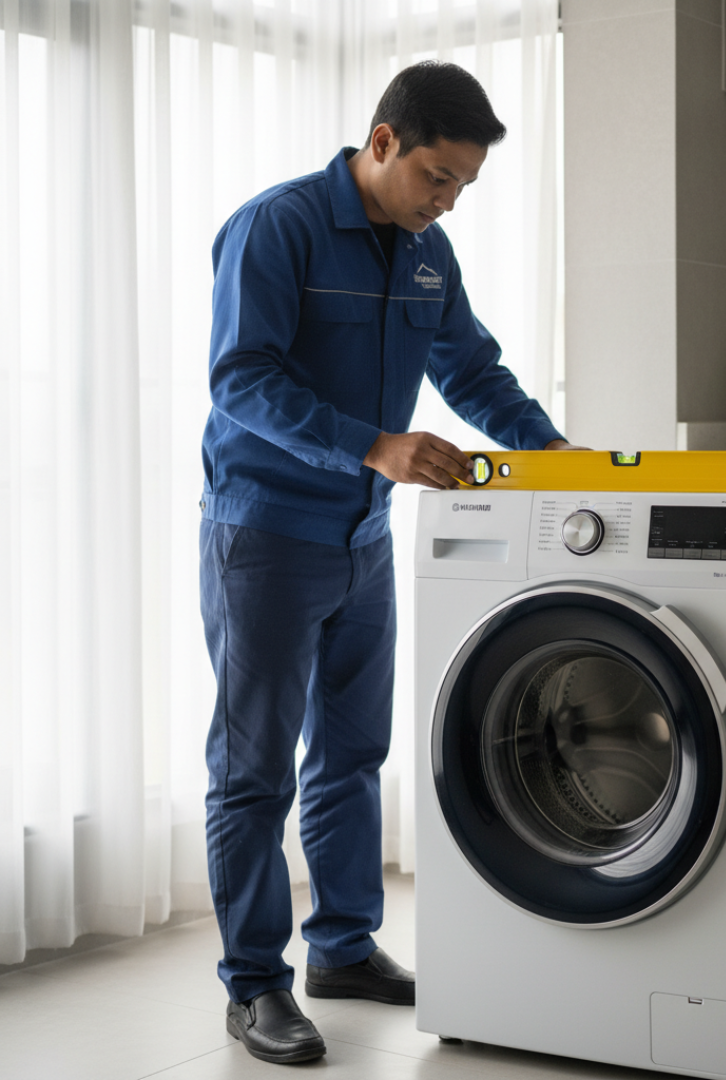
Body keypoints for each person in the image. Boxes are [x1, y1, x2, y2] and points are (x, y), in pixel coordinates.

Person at [199, 60, 572, 1065]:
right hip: (266, 538)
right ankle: (255, 986)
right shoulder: (277, 227)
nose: (446, 201)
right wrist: (377, 446)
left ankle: (344, 948)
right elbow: (240, 378)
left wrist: (553, 454)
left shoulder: (427, 254)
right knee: (252, 771)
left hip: (364, 541)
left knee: (353, 757)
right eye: (436, 178)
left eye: (462, 187)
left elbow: (472, 369)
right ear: (382, 143)